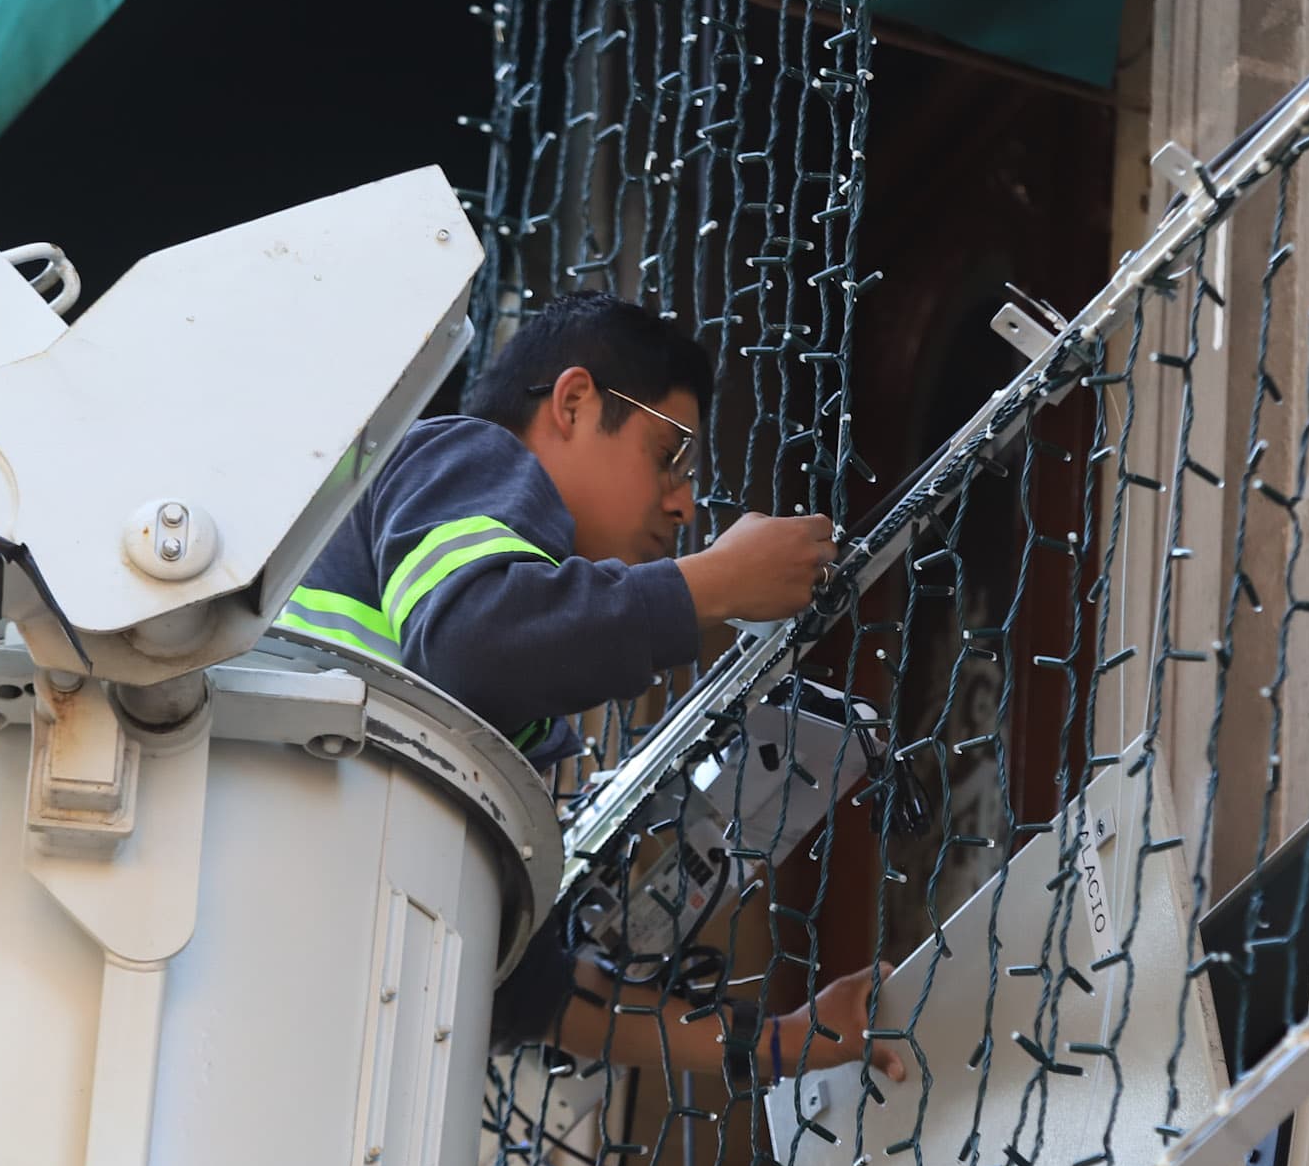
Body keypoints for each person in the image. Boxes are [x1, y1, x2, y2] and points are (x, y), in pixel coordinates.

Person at [284, 290, 902, 1086]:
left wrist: (785, 1043)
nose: (684, 502)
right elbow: (477, 640)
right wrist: (712, 584)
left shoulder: (485, 712)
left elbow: (523, 993)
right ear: (573, 402)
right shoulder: (467, 456)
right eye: (670, 454)